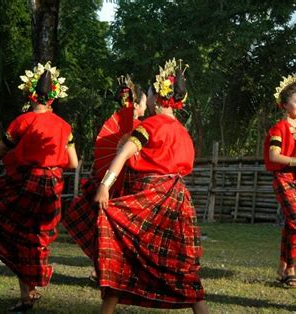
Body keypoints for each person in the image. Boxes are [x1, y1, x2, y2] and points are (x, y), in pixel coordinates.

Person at [75, 58, 208, 313]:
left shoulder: (150, 125)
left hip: (147, 197)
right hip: (177, 201)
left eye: (148, 93)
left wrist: (104, 185)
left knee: (125, 253)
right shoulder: (182, 131)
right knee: (180, 263)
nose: (145, 98)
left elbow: (123, 154)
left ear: (158, 97)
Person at [0, 62, 78, 312]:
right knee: (37, 238)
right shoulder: (64, 126)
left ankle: (26, 298)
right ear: (53, 98)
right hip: (52, 186)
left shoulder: (22, 121)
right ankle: (32, 289)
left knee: (21, 235)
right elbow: (73, 162)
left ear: (31, 95)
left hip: (27, 184)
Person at [62, 75, 147, 282]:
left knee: (103, 229)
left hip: (105, 181)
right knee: (121, 233)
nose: (146, 108)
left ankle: (101, 270)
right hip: (125, 184)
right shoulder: (139, 129)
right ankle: (116, 272)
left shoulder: (115, 125)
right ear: (135, 104)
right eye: (144, 103)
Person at [263, 75, 296, 289]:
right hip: (285, 179)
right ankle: (290, 267)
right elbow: (275, 156)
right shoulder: (278, 129)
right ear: (285, 105)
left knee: (293, 225)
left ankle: (284, 266)